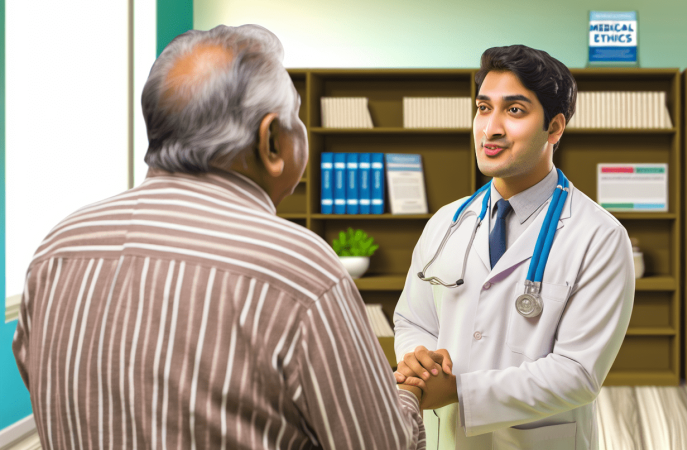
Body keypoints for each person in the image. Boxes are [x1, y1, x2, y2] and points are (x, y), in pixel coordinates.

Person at [12, 24, 425, 449]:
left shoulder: (58, 248)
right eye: (296, 117)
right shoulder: (298, 266)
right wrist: (409, 394)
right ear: (270, 141)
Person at [392, 45, 636, 449]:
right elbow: (412, 319)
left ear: (555, 128)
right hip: (445, 436)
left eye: (515, 110)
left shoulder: (600, 237)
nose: (491, 128)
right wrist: (418, 356)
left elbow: (577, 373)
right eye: (484, 108)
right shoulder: (445, 223)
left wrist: (459, 391)